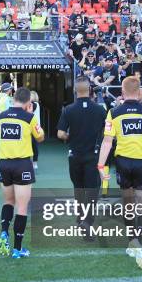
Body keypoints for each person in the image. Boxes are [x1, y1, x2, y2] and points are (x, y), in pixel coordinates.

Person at [97, 77, 142, 270]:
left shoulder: (113, 113)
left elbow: (106, 142)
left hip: (123, 163)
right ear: (139, 92)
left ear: (122, 91)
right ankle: (139, 240)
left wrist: (100, 166)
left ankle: (133, 242)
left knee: (128, 204)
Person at [0, 87, 45, 259]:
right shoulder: (29, 117)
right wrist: (32, 114)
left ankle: (3, 232)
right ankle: (17, 249)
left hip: (4, 165)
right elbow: (40, 137)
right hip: (22, 164)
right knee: (22, 207)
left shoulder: (0, 117)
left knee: (8, 201)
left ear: (13, 98)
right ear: (28, 103)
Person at [57, 77, 107, 239]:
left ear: (75, 90)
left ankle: (81, 218)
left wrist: (71, 136)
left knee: (78, 189)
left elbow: (60, 134)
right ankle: (87, 222)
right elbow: (107, 133)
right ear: (90, 90)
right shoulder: (100, 110)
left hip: (74, 155)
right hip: (93, 155)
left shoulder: (69, 110)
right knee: (92, 191)